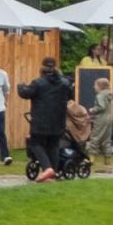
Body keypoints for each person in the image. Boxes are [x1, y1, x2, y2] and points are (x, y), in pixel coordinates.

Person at [17, 56, 74, 184]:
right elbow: (70, 96)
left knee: (35, 144)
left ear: (42, 68)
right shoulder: (64, 83)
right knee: (53, 145)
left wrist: (20, 86)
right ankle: (51, 175)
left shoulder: (38, 83)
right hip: (58, 121)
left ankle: (47, 168)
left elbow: (25, 93)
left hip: (41, 121)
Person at [88, 82, 113, 165]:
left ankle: (91, 159)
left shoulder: (100, 96)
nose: (94, 87)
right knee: (106, 139)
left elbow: (101, 107)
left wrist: (92, 110)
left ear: (100, 86)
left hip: (101, 119)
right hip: (109, 118)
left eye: (95, 85)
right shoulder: (108, 95)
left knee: (95, 137)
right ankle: (107, 160)